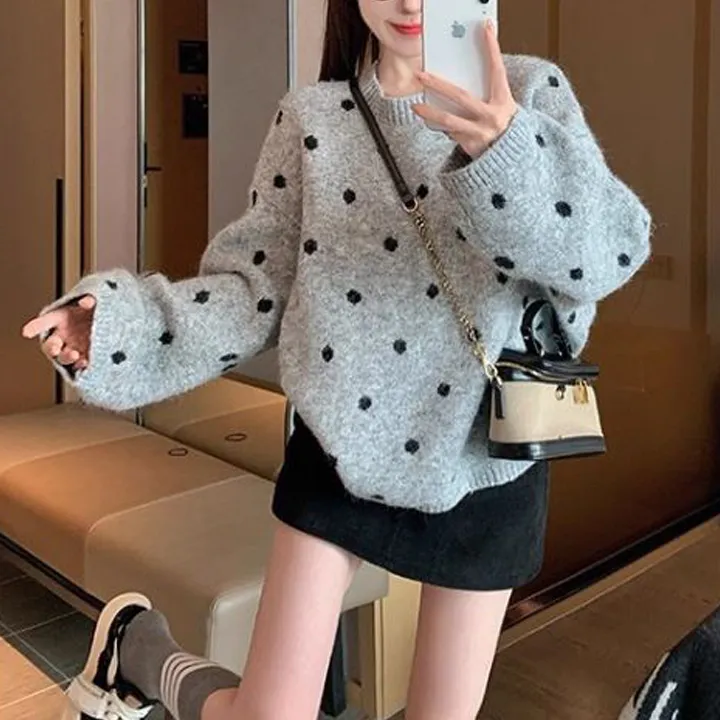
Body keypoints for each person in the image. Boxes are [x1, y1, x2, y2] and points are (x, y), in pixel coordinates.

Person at [23, 1, 652, 719]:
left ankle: (133, 653)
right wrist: (123, 325)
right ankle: (141, 652)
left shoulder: (530, 91)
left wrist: (507, 150)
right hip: (340, 436)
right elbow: (254, 290)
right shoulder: (313, 119)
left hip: (488, 454)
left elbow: (610, 254)